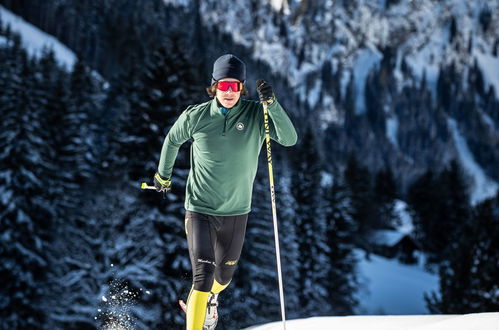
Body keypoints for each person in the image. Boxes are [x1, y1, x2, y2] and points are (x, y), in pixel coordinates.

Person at [153, 54, 297, 330]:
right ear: (214, 86)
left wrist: (272, 104)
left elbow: (289, 139)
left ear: (242, 88)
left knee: (223, 277)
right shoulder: (195, 116)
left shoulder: (257, 114)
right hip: (199, 209)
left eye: (234, 86)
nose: (229, 92)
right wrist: (163, 175)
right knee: (203, 277)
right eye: (223, 85)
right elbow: (172, 140)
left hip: (237, 210)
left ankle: (211, 300)